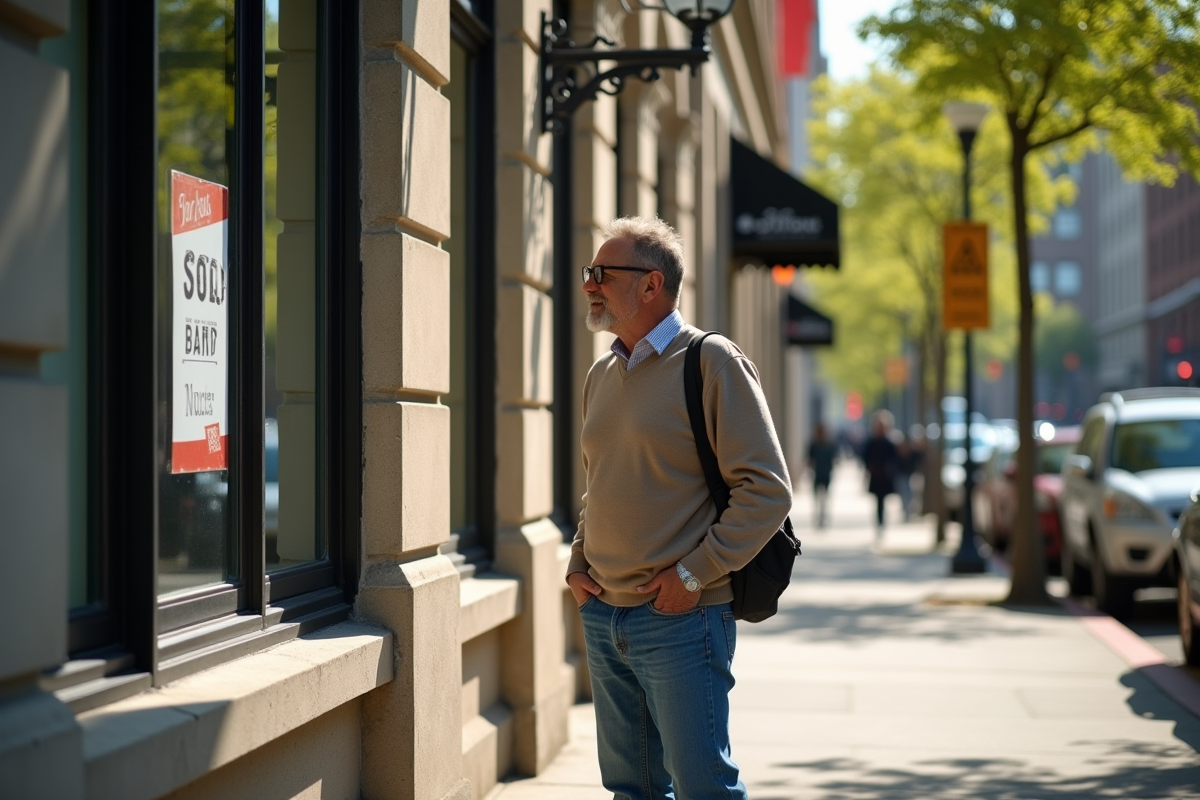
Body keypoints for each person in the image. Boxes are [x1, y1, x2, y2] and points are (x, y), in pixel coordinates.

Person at [566, 216, 793, 800]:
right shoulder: (600, 373)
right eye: (589, 272)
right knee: (631, 789)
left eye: (602, 273)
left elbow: (767, 489)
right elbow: (600, 482)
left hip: (682, 619)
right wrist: (578, 562)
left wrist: (693, 575)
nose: (589, 283)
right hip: (603, 614)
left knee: (705, 789)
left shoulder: (711, 361)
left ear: (651, 285)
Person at [862, 410, 898, 542]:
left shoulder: (889, 443)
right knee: (878, 502)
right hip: (876, 476)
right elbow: (865, 458)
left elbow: (895, 459)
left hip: (885, 477)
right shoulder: (871, 442)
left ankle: (882, 523)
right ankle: (879, 524)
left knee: (883, 502)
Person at [807, 422, 838, 528]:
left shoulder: (828, 445)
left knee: (824, 497)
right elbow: (810, 460)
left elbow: (834, 459)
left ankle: (823, 516)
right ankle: (820, 516)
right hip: (819, 473)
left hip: (825, 473)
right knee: (819, 497)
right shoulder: (814, 445)